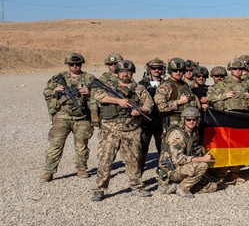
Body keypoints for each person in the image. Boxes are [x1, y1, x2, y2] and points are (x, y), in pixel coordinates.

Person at [90, 60, 155, 201]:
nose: (125, 74)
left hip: (131, 129)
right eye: (122, 72)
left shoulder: (138, 88)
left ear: (132, 73)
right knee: (105, 159)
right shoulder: (108, 86)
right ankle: (99, 189)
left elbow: (149, 104)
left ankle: (136, 187)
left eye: (128, 72)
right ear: (117, 73)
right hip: (110, 129)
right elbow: (98, 96)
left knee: (133, 159)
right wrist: (118, 101)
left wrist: (141, 110)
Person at [42, 52, 96, 181]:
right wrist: (54, 91)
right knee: (56, 144)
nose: (75, 66)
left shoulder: (89, 78)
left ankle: (81, 169)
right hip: (62, 117)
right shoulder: (58, 78)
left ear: (81, 64)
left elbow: (99, 93)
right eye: (72, 64)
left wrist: (89, 92)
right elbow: (46, 92)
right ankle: (49, 171)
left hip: (82, 117)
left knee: (81, 145)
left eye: (77, 64)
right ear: (68, 65)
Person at [158, 106, 215, 198]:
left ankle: (177, 186)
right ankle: (182, 187)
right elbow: (177, 159)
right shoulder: (177, 134)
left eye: (194, 119)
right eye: (188, 119)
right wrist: (202, 159)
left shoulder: (193, 133)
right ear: (183, 120)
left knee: (212, 187)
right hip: (171, 171)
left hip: (183, 168)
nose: (191, 122)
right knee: (202, 165)